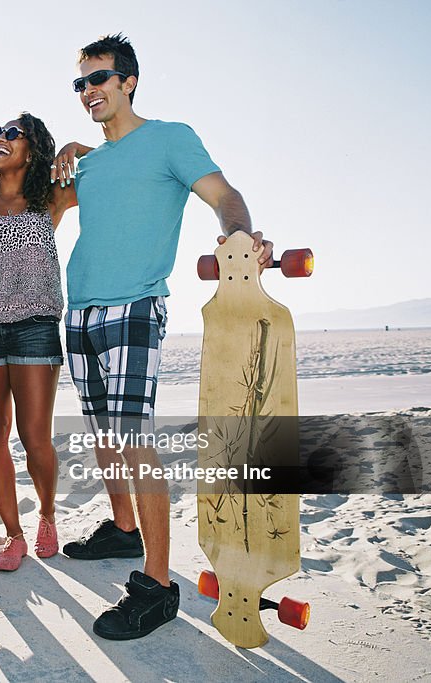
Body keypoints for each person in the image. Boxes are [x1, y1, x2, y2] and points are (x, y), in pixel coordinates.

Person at [50, 34, 274, 639]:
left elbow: (225, 197)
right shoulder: (89, 162)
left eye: (99, 79)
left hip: (134, 306)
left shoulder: (170, 138)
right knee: (104, 435)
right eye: (80, 83)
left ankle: (158, 583)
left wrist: (238, 236)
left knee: (132, 437)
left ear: (129, 82)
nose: (88, 91)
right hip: (81, 311)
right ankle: (123, 529)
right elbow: (45, 206)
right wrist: (62, 156)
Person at [0, 114, 76, 571]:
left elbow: (109, 163)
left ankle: (46, 514)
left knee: (34, 437)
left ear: (34, 146)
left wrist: (76, 148)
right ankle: (14, 534)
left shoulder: (51, 198)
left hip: (36, 325)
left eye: (11, 133)